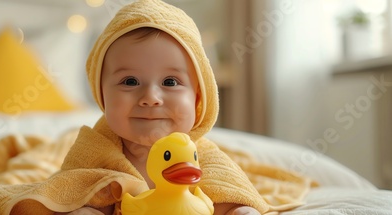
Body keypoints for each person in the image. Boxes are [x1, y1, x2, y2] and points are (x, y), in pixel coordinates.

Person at [56, 0, 306, 214]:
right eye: (130, 81)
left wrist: (239, 209)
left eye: (170, 82)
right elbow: (73, 193)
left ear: (198, 96)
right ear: (102, 94)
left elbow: (229, 196)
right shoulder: (92, 153)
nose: (151, 97)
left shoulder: (204, 158)